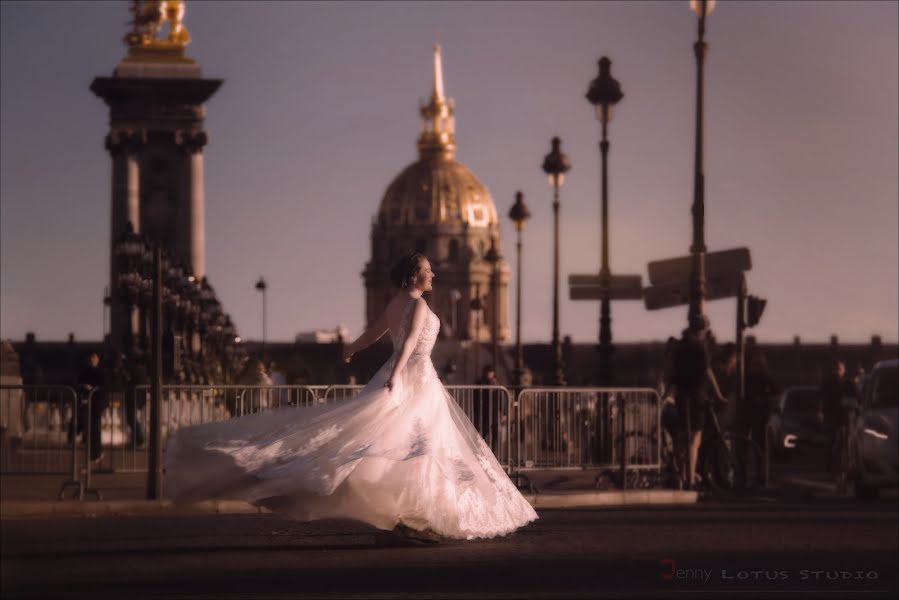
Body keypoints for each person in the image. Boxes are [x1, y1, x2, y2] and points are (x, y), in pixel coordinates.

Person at [166, 253, 538, 542]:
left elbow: (375, 333)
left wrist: (351, 350)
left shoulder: (395, 303)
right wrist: (396, 373)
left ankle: (408, 516)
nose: (433, 275)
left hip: (398, 372)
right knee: (421, 447)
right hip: (415, 376)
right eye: (427, 270)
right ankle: (417, 515)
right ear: (415, 275)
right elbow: (409, 344)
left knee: (395, 442)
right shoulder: (420, 305)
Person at [668, 315, 726, 490]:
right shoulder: (700, 347)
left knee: (682, 436)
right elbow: (706, 372)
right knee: (695, 439)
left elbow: (672, 371)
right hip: (696, 396)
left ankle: (680, 473)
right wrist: (717, 394)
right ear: (703, 329)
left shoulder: (680, 345)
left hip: (681, 395)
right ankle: (690, 479)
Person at [817, 359, 858, 476]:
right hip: (835, 415)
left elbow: (858, 396)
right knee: (836, 440)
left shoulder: (846, 382)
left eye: (840, 369)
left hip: (840, 415)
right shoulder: (833, 382)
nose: (838, 371)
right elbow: (820, 396)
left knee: (842, 440)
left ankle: (843, 466)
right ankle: (835, 466)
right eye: (838, 369)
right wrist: (820, 411)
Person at [71, 351, 106, 461]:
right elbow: (77, 384)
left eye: (94, 357)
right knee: (90, 429)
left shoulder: (101, 372)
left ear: (98, 359)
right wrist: (84, 386)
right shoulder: (85, 372)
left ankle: (96, 452)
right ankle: (93, 453)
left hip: (97, 402)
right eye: (91, 357)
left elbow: (105, 386)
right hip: (88, 402)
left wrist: (93, 388)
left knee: (95, 428)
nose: (92, 359)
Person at [472, 365, 500, 450]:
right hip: (484, 410)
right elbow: (477, 398)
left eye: (491, 373)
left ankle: (493, 450)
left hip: (493, 410)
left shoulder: (496, 384)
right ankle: (483, 450)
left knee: (495, 430)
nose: (490, 375)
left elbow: (499, 397)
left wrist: (503, 411)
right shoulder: (480, 383)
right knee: (484, 430)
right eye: (489, 373)